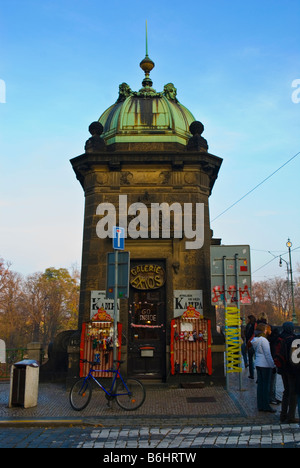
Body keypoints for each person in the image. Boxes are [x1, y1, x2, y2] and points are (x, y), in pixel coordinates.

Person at [251, 323, 276, 413]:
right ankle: (266, 405)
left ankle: (260, 405)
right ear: (263, 330)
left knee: (260, 386)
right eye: (265, 329)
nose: (266, 330)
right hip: (265, 365)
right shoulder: (264, 340)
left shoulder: (255, 339)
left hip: (258, 363)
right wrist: (272, 365)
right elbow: (267, 355)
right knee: (266, 386)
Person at [276, 322, 298, 423]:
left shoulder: (279, 338)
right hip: (292, 369)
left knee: (286, 391)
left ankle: (283, 414)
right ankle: (291, 416)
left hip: (283, 368)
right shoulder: (293, 339)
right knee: (293, 392)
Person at [245, 315, 256, 379]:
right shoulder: (255, 325)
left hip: (250, 343)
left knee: (251, 359)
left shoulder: (249, 325)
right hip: (254, 343)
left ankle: (251, 374)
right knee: (255, 358)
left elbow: (248, 335)